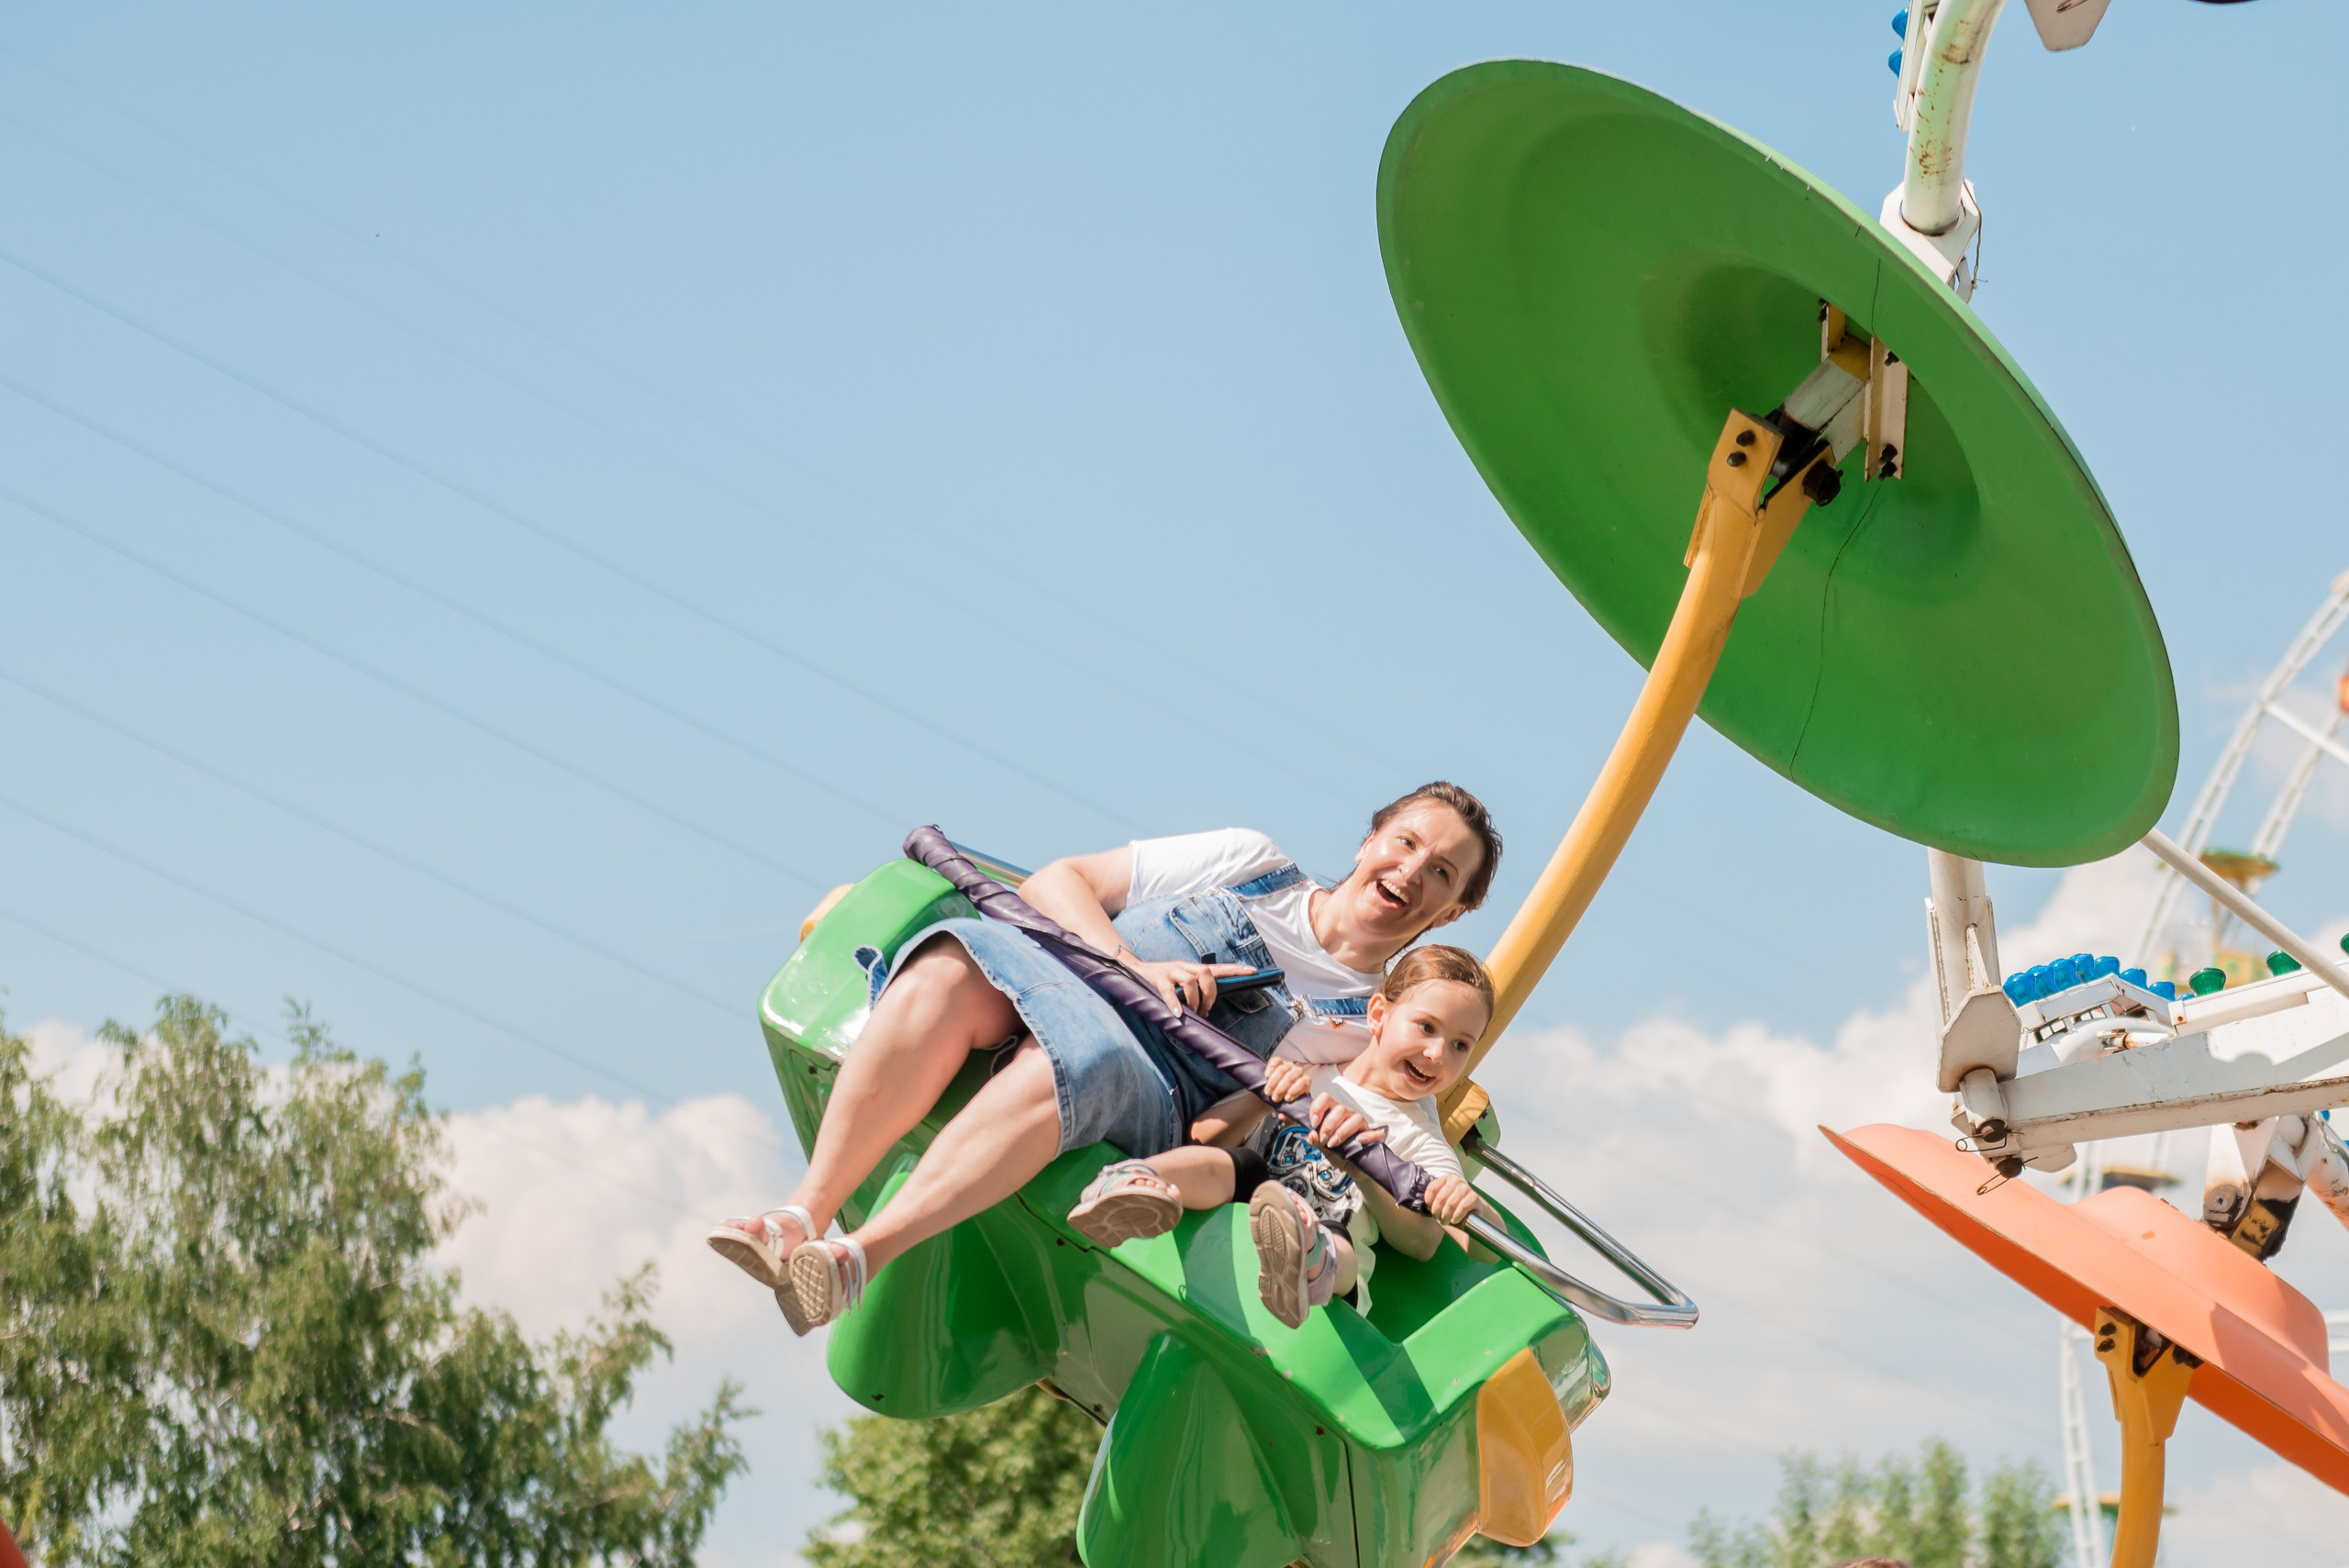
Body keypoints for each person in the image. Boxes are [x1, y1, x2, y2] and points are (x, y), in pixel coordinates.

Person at [707, 782, 1502, 1333]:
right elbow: (1065, 882)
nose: (1411, 871)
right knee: (953, 962)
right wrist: (1133, 965)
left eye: (1441, 872)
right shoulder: (1250, 859)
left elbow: (1273, 1138)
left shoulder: (1370, 1031)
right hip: (1073, 974)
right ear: (1370, 839)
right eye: (1406, 842)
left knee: (1077, 1058)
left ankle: (860, 1256)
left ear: (1454, 908)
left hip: (1153, 1085)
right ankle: (802, 1213)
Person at [1064, 945, 1500, 1327]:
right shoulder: (1307, 1073)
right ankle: (1135, 1182)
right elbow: (1202, 1140)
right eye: (1426, 1027)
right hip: (1250, 1200)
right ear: (1378, 1015)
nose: (1436, 1053)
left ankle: (1305, 1262)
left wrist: (1375, 1174)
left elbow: (1429, 1243)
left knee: (1335, 1237)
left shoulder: (1422, 1140)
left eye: (1461, 1045)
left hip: (1328, 1247)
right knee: (1237, 1165)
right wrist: (1264, 1098)